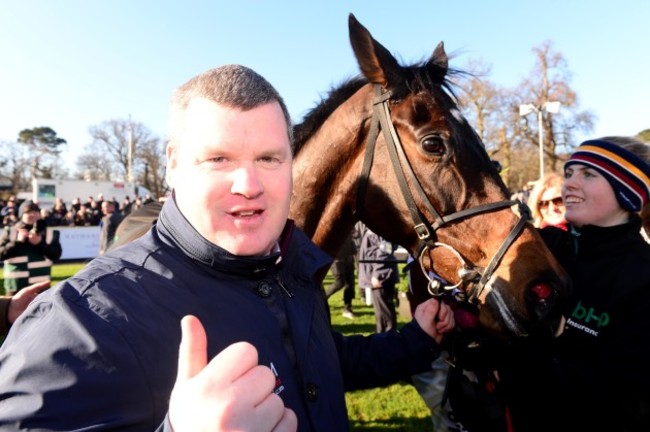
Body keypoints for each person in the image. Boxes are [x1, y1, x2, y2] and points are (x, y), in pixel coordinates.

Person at [0, 64, 455, 431]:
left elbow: (323, 364)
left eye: (269, 159)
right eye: (219, 159)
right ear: (174, 165)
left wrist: (416, 338)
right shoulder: (81, 320)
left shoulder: (290, 270)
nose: (250, 185)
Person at [498, 136, 650, 431]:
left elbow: (629, 397)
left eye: (588, 174)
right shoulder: (544, 247)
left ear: (628, 192)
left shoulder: (641, 275)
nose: (569, 184)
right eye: (569, 173)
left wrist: (536, 351)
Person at [0, 200, 62, 295]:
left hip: (41, 288)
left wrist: (39, 243)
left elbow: (56, 255)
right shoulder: (10, 232)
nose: (33, 214)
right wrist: (17, 242)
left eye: (36, 211)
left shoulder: (49, 232)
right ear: (21, 215)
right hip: (15, 287)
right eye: (28, 212)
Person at [357, 223, 399, 333]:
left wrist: (377, 275)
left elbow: (385, 251)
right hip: (379, 276)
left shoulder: (381, 227)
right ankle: (382, 336)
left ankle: (388, 337)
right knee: (382, 309)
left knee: (384, 310)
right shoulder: (377, 226)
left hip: (381, 278)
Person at [325, 232, 357, 319]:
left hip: (348, 255)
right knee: (340, 282)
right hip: (336, 257)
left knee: (350, 284)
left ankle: (347, 309)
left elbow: (353, 234)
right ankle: (322, 299)